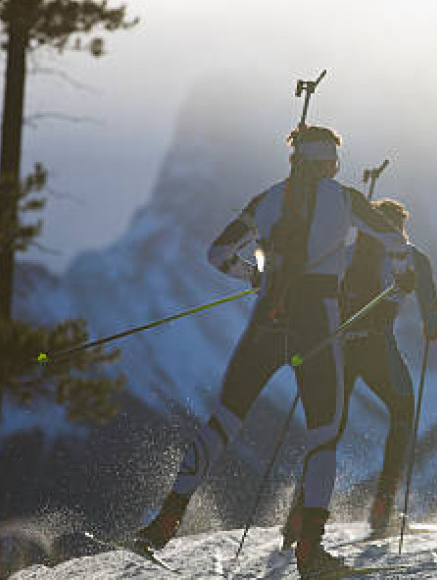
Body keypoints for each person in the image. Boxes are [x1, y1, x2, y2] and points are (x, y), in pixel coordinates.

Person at [134, 125, 415, 578]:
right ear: (330, 162)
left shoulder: (266, 200)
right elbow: (395, 241)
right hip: (316, 325)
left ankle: (162, 524)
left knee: (223, 422)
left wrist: (253, 275)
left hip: (266, 322)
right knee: (324, 434)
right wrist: (401, 275)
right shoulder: (346, 200)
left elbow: (218, 253)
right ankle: (310, 553)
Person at [280, 197, 437, 548]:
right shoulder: (411, 256)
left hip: (337, 347)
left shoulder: (345, 253)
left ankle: (299, 514)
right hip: (377, 347)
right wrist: (431, 327)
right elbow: (430, 307)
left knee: (329, 428)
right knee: (402, 411)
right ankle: (383, 507)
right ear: (400, 227)